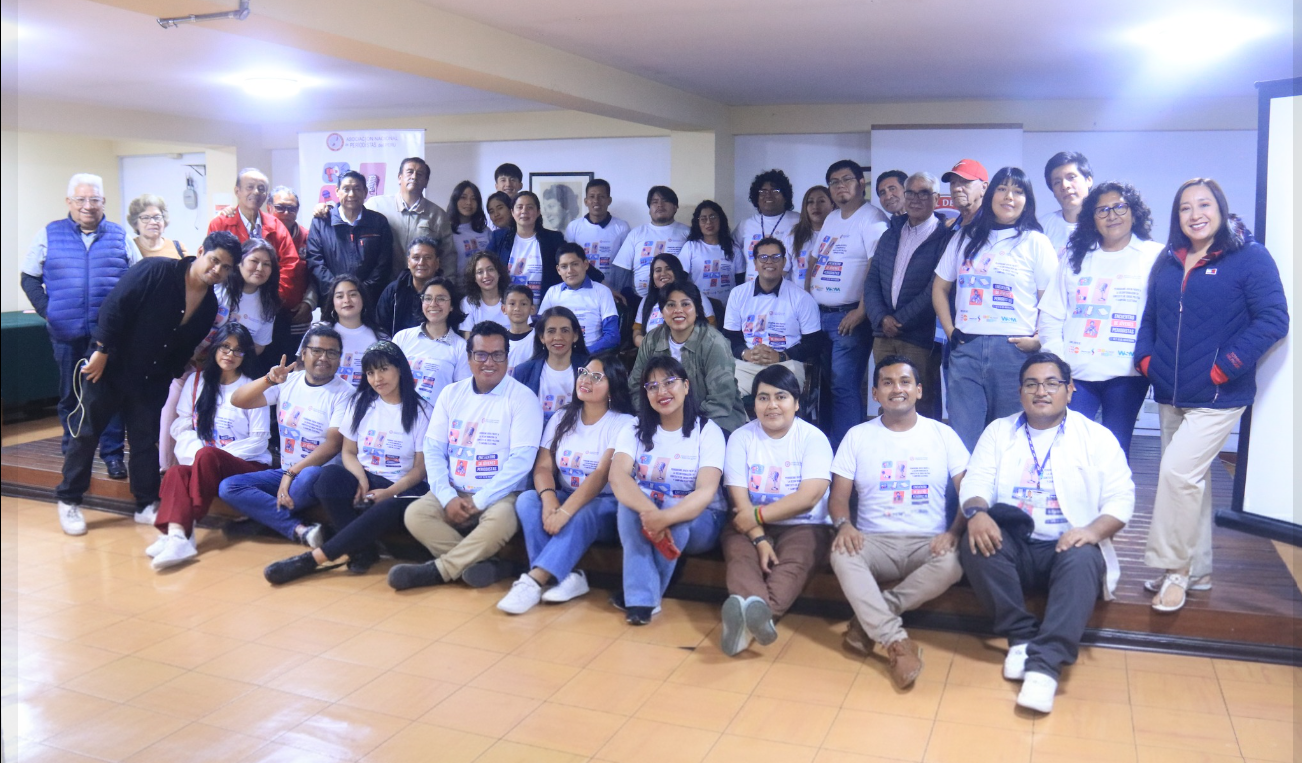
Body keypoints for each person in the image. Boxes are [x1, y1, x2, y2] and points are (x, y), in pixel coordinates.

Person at [1136, 179, 1289, 612]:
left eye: (1204, 204)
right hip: (1171, 390)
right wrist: (1146, 360)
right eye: (1185, 207)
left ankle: (1175, 570)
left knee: (1177, 475)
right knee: (1192, 483)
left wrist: (1225, 366)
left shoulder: (1250, 257)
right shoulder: (1169, 259)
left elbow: (1273, 319)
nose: (1195, 214)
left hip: (1220, 394)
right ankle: (1199, 570)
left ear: (1221, 209)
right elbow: (1151, 317)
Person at [958, 353, 1134, 714]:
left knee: (1085, 558)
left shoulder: (1097, 438)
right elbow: (976, 481)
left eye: (1052, 383)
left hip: (1067, 544)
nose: (1042, 391)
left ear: (1070, 390)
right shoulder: (999, 432)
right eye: (1032, 384)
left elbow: (1122, 498)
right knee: (975, 541)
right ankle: (1020, 637)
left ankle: (1045, 666)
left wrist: (1092, 531)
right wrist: (976, 513)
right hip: (1015, 543)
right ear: (1020, 391)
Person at [53, 233, 230, 535]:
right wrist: (101, 349)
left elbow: (186, 344)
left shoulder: (209, 304)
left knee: (144, 441)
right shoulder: (155, 270)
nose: (217, 270)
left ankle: (146, 504)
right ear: (201, 251)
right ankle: (69, 499)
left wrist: (171, 371)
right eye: (215, 260)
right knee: (87, 433)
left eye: (226, 267)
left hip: (151, 380)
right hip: (109, 367)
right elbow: (114, 306)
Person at [828, 357, 969, 688]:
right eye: (887, 383)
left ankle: (869, 622)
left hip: (928, 541)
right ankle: (896, 642)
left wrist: (954, 532)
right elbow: (838, 498)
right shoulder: (857, 436)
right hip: (872, 541)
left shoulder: (943, 435)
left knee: (954, 563)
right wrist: (844, 526)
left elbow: (970, 491)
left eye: (905, 382)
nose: (897, 389)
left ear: (919, 390)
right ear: (875, 393)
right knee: (841, 554)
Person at [388, 322, 545, 590]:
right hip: (454, 488)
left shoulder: (523, 398)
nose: (489, 362)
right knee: (415, 514)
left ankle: (438, 571)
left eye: (498, 355)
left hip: (501, 494)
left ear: (507, 358)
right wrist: (447, 497)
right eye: (481, 354)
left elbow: (522, 462)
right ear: (469, 357)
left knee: (502, 520)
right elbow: (433, 450)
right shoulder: (451, 393)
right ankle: (489, 565)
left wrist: (480, 500)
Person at [263, 341, 432, 583]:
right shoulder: (360, 403)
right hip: (367, 479)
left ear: (400, 369)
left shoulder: (422, 410)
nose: (377, 378)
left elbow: (420, 469)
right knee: (328, 477)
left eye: (383, 369)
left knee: (388, 504)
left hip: (404, 488)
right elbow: (349, 452)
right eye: (370, 372)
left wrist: (389, 491)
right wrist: (361, 479)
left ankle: (314, 559)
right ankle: (362, 550)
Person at [497, 356, 637, 614]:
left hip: (607, 504)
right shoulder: (562, 416)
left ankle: (533, 581)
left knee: (585, 511)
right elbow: (543, 467)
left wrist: (564, 511)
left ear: (613, 387)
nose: (586, 380)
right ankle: (567, 577)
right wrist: (550, 501)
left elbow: (601, 474)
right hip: (565, 495)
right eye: (584, 372)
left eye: (597, 377)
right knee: (528, 500)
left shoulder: (624, 423)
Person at [21, 173, 138, 479]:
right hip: (66, 334)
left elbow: (136, 282)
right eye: (81, 199)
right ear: (69, 202)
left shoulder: (120, 236)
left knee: (110, 397)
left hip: (109, 337)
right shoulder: (49, 234)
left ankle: (113, 457)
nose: (88, 205)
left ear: (103, 202)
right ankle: (73, 454)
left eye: (94, 199)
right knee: (71, 397)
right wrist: (49, 311)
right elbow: (29, 277)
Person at [932, 166, 1057, 451]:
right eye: (1002, 189)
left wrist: (1039, 338)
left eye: (1018, 191)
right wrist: (950, 330)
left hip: (1014, 351)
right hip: (966, 348)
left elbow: (1052, 301)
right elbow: (939, 288)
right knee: (964, 439)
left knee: (1010, 440)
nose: (1009, 197)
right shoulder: (965, 237)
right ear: (990, 194)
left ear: (1027, 200)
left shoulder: (1035, 242)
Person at [1038, 182, 1163, 458]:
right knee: (1069, 449)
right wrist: (1060, 367)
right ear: (1091, 218)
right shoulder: (1075, 256)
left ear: (1134, 212)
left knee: (1115, 450)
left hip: (1127, 374)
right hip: (1076, 373)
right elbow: (1051, 314)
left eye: (1119, 207)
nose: (1111, 215)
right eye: (1102, 210)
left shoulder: (1155, 256)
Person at [719, 365, 833, 655]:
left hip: (804, 524)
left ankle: (745, 623)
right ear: (754, 403)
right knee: (740, 556)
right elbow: (740, 500)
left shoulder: (813, 438)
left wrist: (758, 516)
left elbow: (808, 497)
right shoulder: (741, 438)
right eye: (763, 398)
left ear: (796, 403)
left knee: (792, 566)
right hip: (749, 526)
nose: (772, 405)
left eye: (780, 397)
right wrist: (759, 538)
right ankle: (755, 618)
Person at [611, 356, 729, 624]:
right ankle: (643, 600)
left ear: (686, 386)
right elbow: (617, 477)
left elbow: (706, 491)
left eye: (669, 383)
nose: (661, 391)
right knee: (628, 505)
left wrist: (665, 517)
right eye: (652, 386)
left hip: (703, 520)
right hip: (650, 514)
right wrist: (652, 513)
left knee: (675, 516)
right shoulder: (634, 428)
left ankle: (639, 594)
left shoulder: (707, 431)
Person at [147, 324, 271, 570]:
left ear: (246, 354)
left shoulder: (252, 386)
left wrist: (216, 456)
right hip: (203, 462)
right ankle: (177, 535)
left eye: (238, 350)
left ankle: (185, 528)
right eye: (225, 346)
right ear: (215, 347)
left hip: (247, 464)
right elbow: (181, 425)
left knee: (207, 455)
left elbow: (259, 440)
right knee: (176, 472)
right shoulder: (197, 381)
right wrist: (202, 455)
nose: (230, 354)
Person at [219, 325, 353, 546]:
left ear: (340, 358)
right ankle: (298, 528)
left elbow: (332, 445)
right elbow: (238, 400)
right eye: (317, 351)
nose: (323, 357)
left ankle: (264, 517)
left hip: (319, 475)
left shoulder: (345, 393)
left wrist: (291, 474)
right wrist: (268, 380)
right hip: (284, 472)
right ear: (304, 354)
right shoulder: (289, 381)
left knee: (310, 474)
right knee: (229, 487)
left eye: (332, 353)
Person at [807, 159, 890, 447]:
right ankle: (826, 448)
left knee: (844, 387)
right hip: (819, 316)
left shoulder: (872, 218)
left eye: (846, 180)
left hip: (849, 317)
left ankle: (846, 452)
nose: (840, 186)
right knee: (824, 386)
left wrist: (861, 311)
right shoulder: (832, 218)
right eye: (834, 182)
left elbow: (875, 267)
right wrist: (807, 301)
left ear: (861, 183)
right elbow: (815, 260)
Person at [863, 171, 952, 420]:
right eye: (910, 193)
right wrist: (882, 318)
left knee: (921, 403)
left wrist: (900, 320)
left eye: (923, 193)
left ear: (936, 198)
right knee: (886, 399)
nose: (915, 199)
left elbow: (935, 288)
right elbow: (871, 281)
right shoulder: (890, 234)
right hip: (883, 334)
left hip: (919, 336)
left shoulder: (944, 238)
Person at [629, 280, 747, 434]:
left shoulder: (714, 343)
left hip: (713, 420)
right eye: (671, 305)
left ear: (697, 310)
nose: (678, 310)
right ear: (662, 311)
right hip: (661, 418)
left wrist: (679, 424)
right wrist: (653, 417)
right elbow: (635, 385)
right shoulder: (652, 340)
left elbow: (720, 400)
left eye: (685, 304)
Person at [722, 238, 822, 395]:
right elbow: (729, 337)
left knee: (778, 396)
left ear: (784, 262)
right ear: (755, 263)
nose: (769, 262)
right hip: (747, 364)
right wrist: (745, 353)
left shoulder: (802, 298)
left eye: (776, 257)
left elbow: (814, 343)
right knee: (727, 393)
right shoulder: (738, 294)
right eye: (763, 257)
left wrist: (781, 356)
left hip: (787, 364)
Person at [207, 169, 308, 324]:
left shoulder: (276, 226)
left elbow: (290, 264)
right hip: (227, 305)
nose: (255, 192)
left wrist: (272, 298)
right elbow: (211, 262)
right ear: (237, 191)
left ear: (266, 195)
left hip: (269, 307)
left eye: (261, 188)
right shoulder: (220, 224)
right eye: (250, 187)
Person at [306, 171, 393, 302]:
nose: (351, 194)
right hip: (333, 300)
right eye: (346, 189)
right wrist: (339, 292)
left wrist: (362, 291)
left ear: (365, 192)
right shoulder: (321, 222)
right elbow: (315, 261)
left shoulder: (379, 222)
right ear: (337, 191)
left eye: (357, 189)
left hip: (370, 300)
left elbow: (384, 263)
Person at [365, 156, 455, 278]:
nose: (414, 177)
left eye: (420, 174)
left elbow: (448, 256)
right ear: (399, 178)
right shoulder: (376, 205)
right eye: (410, 172)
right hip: (383, 283)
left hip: (423, 284)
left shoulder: (437, 215)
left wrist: (447, 283)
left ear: (426, 182)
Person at [393, 277, 471, 406]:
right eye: (428, 298)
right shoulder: (402, 337)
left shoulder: (461, 348)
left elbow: (461, 394)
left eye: (441, 299)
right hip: (399, 413)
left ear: (452, 306)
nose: (433, 304)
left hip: (437, 416)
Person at [610, 186, 690, 299]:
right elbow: (622, 269)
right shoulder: (636, 233)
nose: (660, 205)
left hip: (676, 298)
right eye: (655, 202)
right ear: (649, 209)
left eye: (665, 200)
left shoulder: (687, 233)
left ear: (675, 207)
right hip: (640, 299)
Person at [488, 190, 566, 306]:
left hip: (545, 307)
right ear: (512, 212)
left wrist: (595, 279)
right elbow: (484, 264)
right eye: (519, 207)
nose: (524, 211)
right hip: (508, 308)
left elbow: (572, 260)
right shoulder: (499, 238)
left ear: (538, 212)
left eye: (529, 207)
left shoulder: (553, 239)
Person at [538, 243, 620, 354]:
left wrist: (584, 353)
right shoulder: (552, 292)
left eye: (575, 264)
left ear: (585, 264)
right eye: (564, 266)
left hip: (591, 356)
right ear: (558, 270)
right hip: (557, 356)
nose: (570, 270)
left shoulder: (602, 291)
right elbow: (540, 330)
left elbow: (612, 336)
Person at [266, 186, 317, 360]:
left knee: (295, 364)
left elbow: (315, 274)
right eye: (280, 207)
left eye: (292, 208)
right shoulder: (262, 235)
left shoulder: (308, 237)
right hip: (266, 315)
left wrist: (309, 303)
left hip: (297, 315)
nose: (286, 213)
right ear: (269, 207)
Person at [512, 306, 589, 421]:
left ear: (575, 335)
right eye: (551, 331)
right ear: (541, 337)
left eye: (565, 331)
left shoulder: (590, 370)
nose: (558, 337)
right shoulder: (523, 372)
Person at [314, 275, 385, 388]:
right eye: (340, 296)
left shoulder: (381, 337)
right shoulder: (318, 332)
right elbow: (301, 368)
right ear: (333, 302)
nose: (347, 300)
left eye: (353, 295)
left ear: (363, 298)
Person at [632, 253, 716, 348]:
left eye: (668, 269)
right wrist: (647, 344)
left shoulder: (695, 295)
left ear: (677, 272)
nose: (663, 273)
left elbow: (711, 328)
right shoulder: (646, 300)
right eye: (658, 270)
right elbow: (637, 331)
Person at [734, 169, 796, 282]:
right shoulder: (746, 225)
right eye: (763, 191)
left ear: (785, 196)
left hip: (785, 288)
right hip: (752, 288)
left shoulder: (798, 221)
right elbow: (732, 251)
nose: (768, 195)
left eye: (775, 190)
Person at [564, 178, 630, 278]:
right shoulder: (573, 227)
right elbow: (568, 258)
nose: (596, 201)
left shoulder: (622, 227)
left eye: (601, 196)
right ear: (586, 201)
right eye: (592, 196)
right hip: (582, 285)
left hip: (612, 286)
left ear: (609, 200)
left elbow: (626, 262)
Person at [377, 237, 443, 336]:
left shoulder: (446, 292)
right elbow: (381, 329)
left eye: (428, 257)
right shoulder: (394, 291)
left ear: (437, 263)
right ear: (408, 262)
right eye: (416, 258)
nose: (421, 263)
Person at [679, 200, 739, 306]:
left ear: (720, 219)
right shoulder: (691, 247)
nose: (708, 222)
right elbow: (681, 279)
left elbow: (740, 281)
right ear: (698, 223)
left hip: (728, 307)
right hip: (699, 307)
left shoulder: (734, 248)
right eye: (703, 219)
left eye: (713, 217)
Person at [1039, 152, 1094, 253]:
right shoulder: (1042, 226)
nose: (1064, 186)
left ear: (1089, 180)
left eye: (1071, 177)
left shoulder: (1105, 222)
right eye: (1057, 182)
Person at [793, 185, 834, 289]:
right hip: (799, 295)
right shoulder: (792, 235)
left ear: (832, 205)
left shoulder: (840, 233)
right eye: (810, 202)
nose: (815, 206)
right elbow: (783, 272)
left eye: (821, 201)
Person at [448, 180, 492, 277]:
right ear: (455, 200)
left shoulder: (485, 231)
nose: (469, 203)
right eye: (463, 197)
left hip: (484, 283)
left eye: (474, 199)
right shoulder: (447, 231)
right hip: (456, 284)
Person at [461, 251, 512, 330]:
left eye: (490, 269)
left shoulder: (513, 299)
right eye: (480, 272)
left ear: (499, 273)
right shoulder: (468, 303)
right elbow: (468, 336)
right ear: (474, 278)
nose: (486, 275)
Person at [128, 194, 186, 258]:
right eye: (145, 218)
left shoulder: (178, 248)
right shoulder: (128, 248)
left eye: (157, 217)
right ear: (135, 223)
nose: (153, 222)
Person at [941, 159, 989, 230]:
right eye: (953, 183)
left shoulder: (992, 226)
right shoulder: (950, 228)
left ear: (984, 188)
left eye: (965, 181)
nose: (956, 188)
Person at [503, 284, 538, 371]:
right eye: (512, 304)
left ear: (532, 309)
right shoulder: (499, 339)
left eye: (523, 304)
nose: (517, 308)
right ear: (504, 309)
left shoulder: (539, 339)